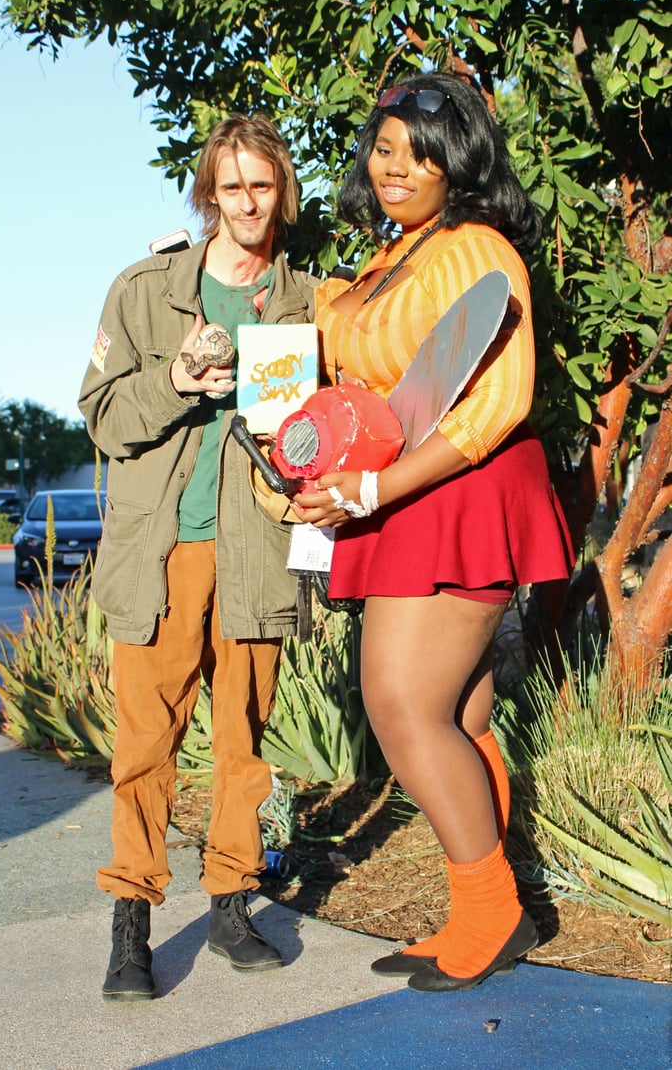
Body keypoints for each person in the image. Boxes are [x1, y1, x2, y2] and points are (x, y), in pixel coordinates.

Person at [292, 72, 573, 992]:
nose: (397, 168)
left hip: (455, 490)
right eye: (383, 148)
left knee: (403, 709)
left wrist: (373, 488)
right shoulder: (388, 259)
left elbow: (498, 400)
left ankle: (492, 912)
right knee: (456, 714)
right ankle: (484, 910)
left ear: (460, 163)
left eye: (420, 153)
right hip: (397, 492)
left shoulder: (473, 249)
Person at [79, 113, 317, 1000]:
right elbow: (100, 414)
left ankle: (229, 900)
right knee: (146, 740)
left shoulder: (303, 301)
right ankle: (132, 922)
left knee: (243, 738)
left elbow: (319, 429)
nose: (248, 202)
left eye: (263, 185)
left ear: (279, 193)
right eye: (232, 187)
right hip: (165, 549)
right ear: (209, 195)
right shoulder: (146, 290)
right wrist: (174, 383)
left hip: (256, 547)